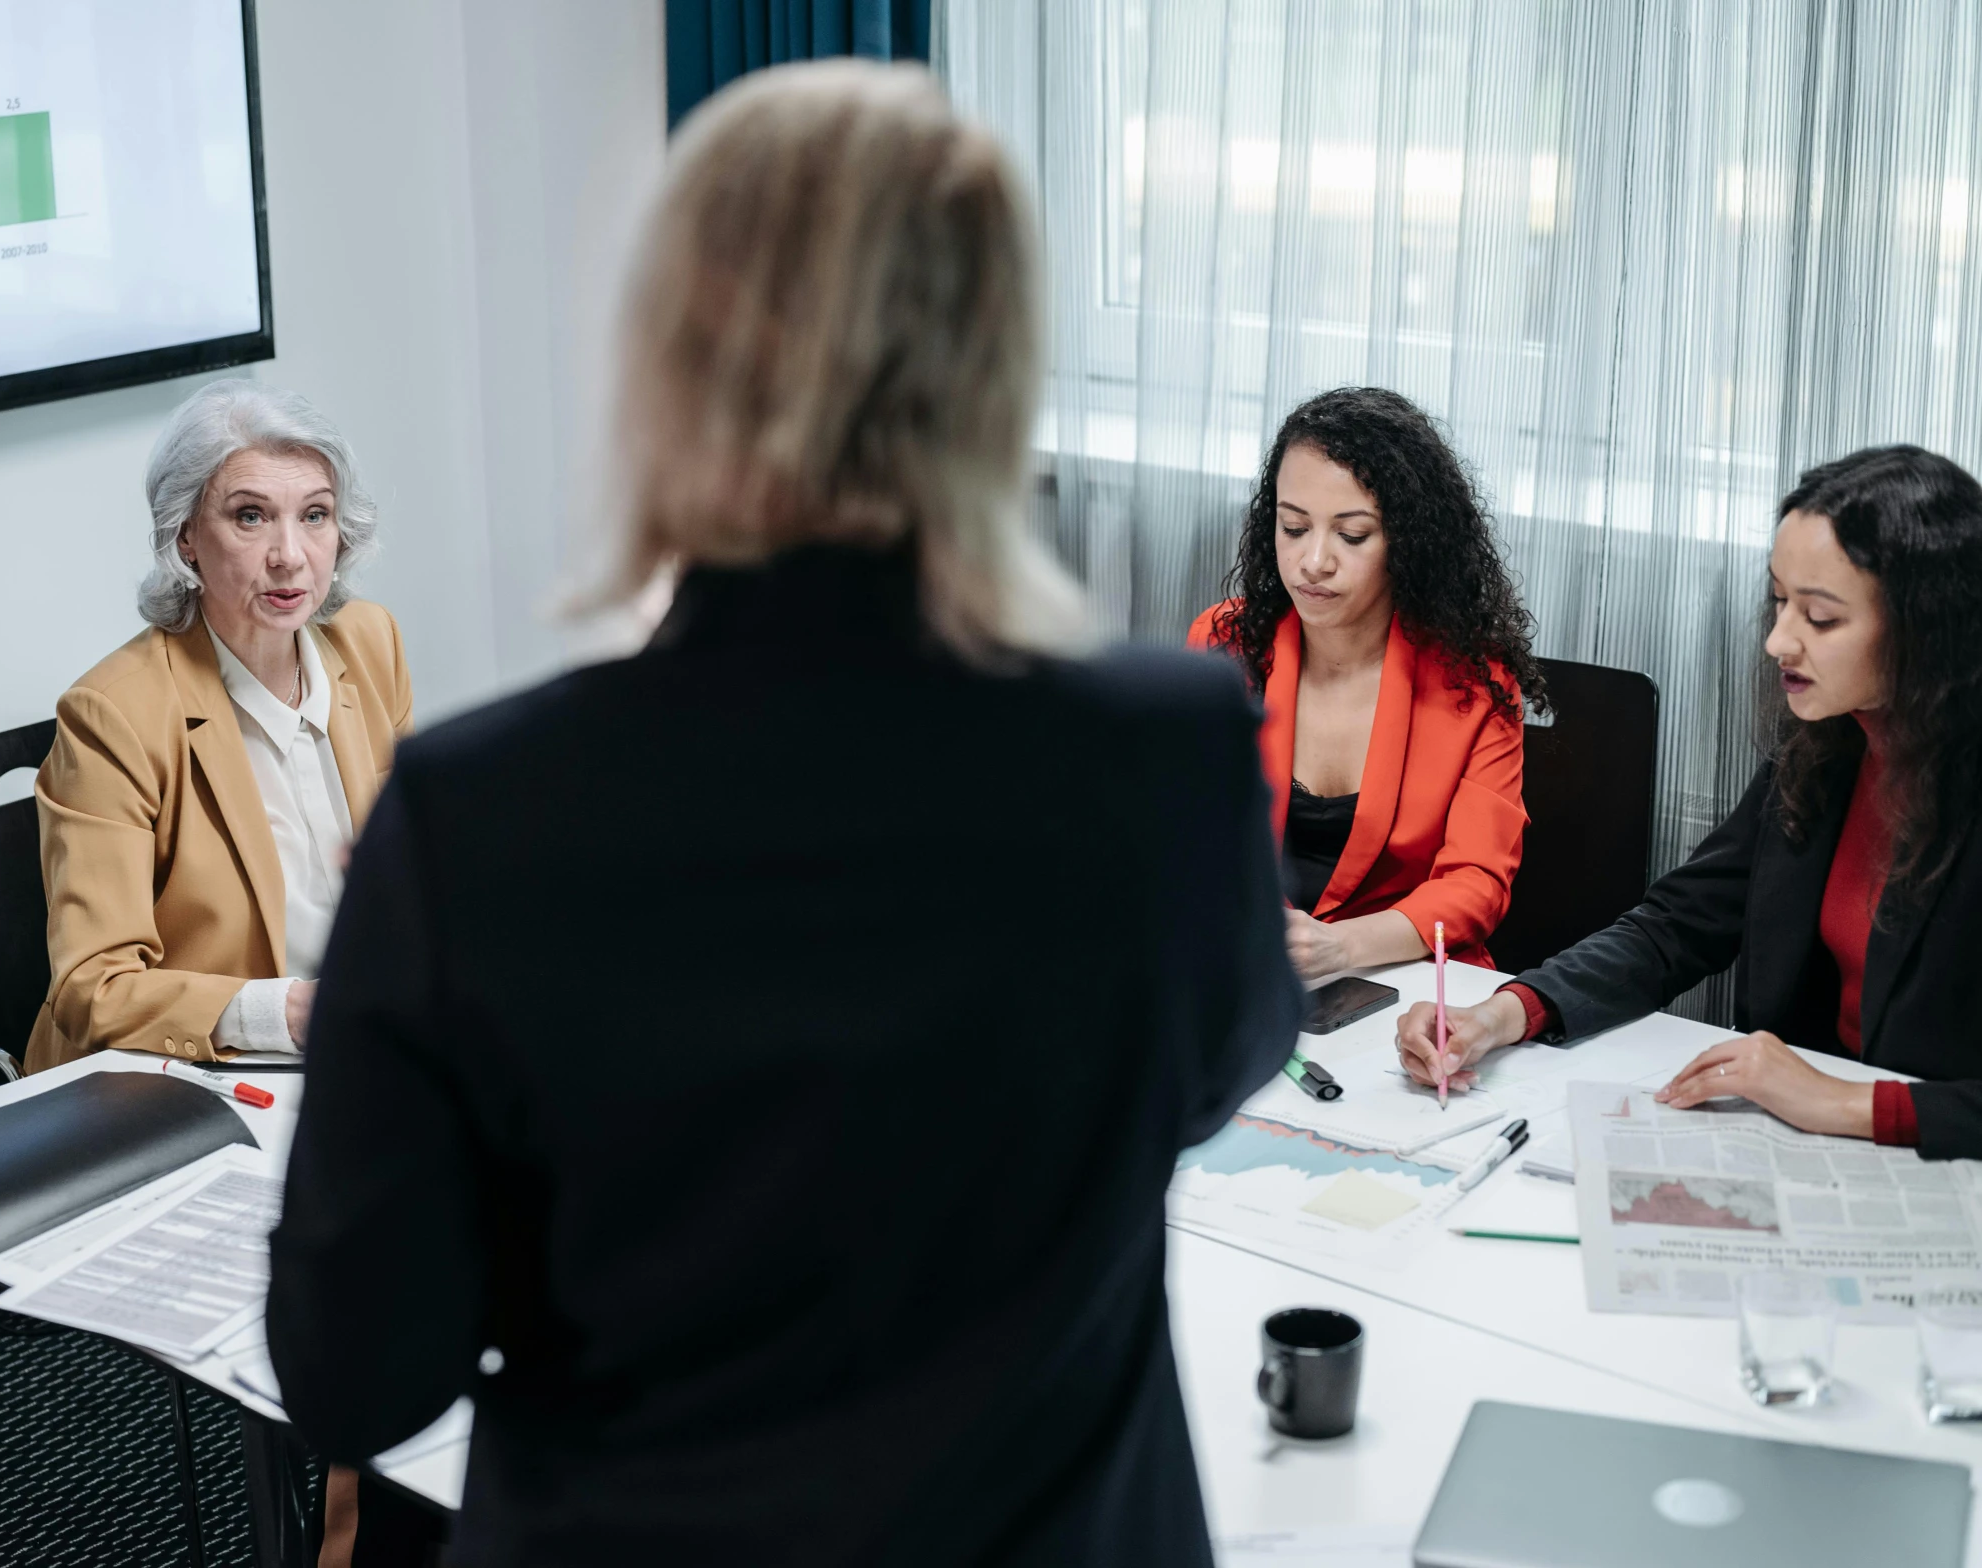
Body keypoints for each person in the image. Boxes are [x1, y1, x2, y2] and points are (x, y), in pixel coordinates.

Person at [267, 60, 1299, 1567]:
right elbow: (1211, 1071)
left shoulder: (480, 816)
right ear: (996, 369)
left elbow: (354, 1375)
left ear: (669, 370)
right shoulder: (1167, 749)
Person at [26, 378, 415, 1565]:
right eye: (249, 516)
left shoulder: (368, 643)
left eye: (315, 513)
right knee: (391, 1251)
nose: (290, 554)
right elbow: (93, 986)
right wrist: (292, 1010)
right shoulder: (115, 712)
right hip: (203, 1074)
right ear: (184, 538)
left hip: (372, 1034)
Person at [1397, 445, 1982, 1159]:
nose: (1777, 640)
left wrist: (1845, 1102)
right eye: (1777, 600)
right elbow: (1674, 925)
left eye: (1820, 619)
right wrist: (1503, 1013)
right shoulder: (1829, 746)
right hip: (1803, 1149)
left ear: (1930, 630)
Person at [1189, 388, 1544, 980]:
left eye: (1352, 536)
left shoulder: (1473, 681)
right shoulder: (1225, 641)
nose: (1314, 561)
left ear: (1408, 543)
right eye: (1293, 527)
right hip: (1242, 964)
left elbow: (1476, 881)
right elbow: (1190, 826)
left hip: (1401, 980)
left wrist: (1340, 946)